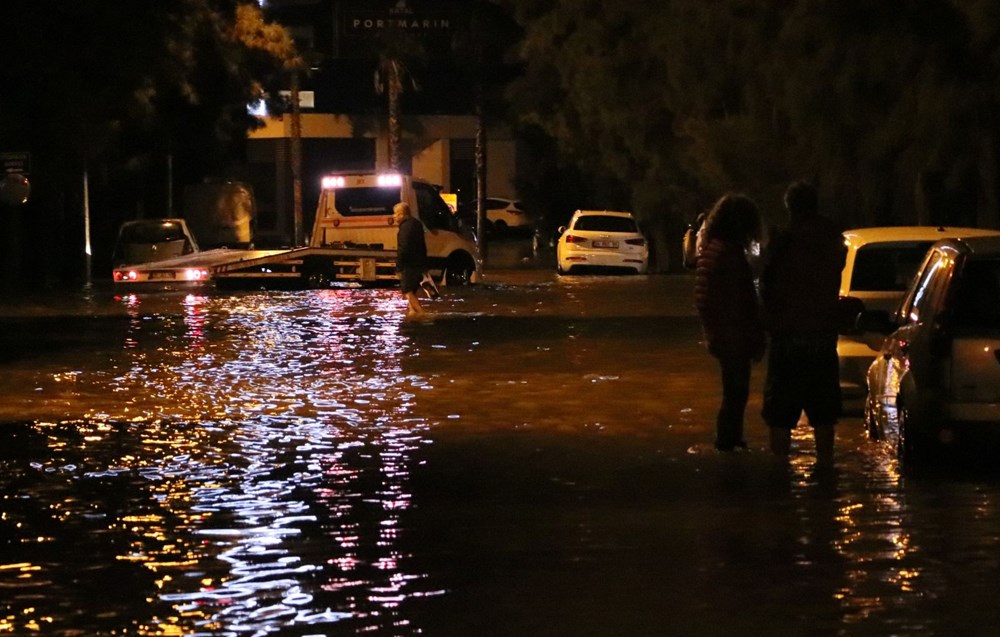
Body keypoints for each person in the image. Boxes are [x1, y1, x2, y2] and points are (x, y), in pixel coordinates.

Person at [759, 181, 847, 467]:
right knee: (824, 414)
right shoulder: (832, 239)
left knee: (780, 415)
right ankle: (826, 471)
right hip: (822, 339)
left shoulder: (783, 241)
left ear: (790, 208)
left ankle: (778, 474)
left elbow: (767, 287)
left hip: (788, 340)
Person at [694, 194, 766, 451]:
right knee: (736, 393)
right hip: (733, 334)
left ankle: (730, 443)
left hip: (721, 333)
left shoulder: (712, 249)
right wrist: (754, 336)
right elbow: (740, 301)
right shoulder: (729, 255)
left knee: (733, 393)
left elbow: (706, 298)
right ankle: (728, 444)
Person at [393, 201, 427, 318]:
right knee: (412, 290)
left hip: (409, 263)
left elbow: (403, 248)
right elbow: (422, 245)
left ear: (402, 214)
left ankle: (421, 313)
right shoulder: (416, 224)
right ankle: (412, 313)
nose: (394, 216)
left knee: (407, 290)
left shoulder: (405, 228)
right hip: (418, 262)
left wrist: (398, 267)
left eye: (396, 214)